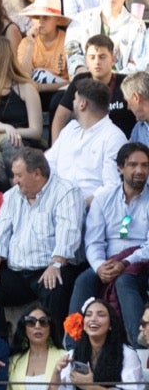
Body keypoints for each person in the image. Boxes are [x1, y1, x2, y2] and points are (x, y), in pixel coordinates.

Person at [0, 148, 84, 329]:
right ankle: (0, 346)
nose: (14, 180)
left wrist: (56, 263)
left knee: (55, 286)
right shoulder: (12, 195)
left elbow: (69, 231)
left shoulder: (66, 191)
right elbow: (0, 231)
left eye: (19, 175)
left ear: (37, 174)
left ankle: (55, 348)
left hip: (50, 268)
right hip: (17, 272)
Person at [71, 142, 149, 350]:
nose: (140, 170)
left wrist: (125, 262)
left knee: (124, 281)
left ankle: (141, 348)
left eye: (144, 165)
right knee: (84, 279)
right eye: (133, 165)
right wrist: (99, 266)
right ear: (120, 168)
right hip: (108, 263)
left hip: (140, 263)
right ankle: (72, 347)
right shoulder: (103, 199)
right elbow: (94, 241)